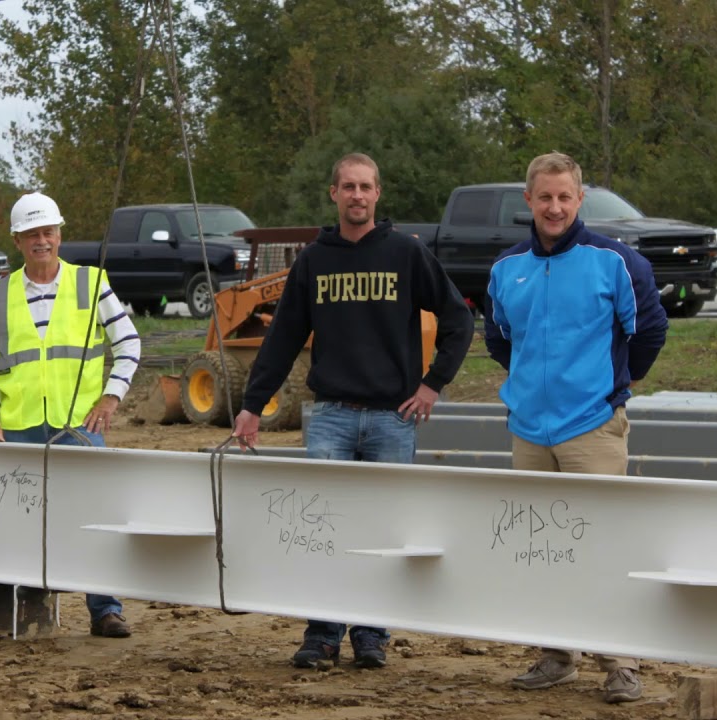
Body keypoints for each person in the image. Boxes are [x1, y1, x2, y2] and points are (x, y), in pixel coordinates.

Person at [232, 153, 475, 669]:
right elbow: (282, 338)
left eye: (366, 187)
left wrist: (433, 385)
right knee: (323, 531)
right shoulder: (313, 261)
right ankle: (321, 635)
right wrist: (253, 406)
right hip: (331, 417)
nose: (357, 195)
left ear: (377, 194)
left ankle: (371, 636)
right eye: (348, 187)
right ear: (334, 194)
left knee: (383, 533)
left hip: (393, 418)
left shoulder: (407, 255)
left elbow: (458, 318)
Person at [484, 152, 668, 704]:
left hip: (592, 429)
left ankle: (621, 662)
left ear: (579, 198)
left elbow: (650, 330)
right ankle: (558, 655)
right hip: (530, 433)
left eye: (565, 197)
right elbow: (498, 338)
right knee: (540, 549)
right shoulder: (506, 268)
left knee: (602, 546)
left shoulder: (614, 262)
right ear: (529, 201)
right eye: (545, 197)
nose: (555, 207)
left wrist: (610, 389)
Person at [0, 191, 142, 639]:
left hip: (77, 428)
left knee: (91, 517)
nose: (41, 241)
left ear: (59, 235)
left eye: (47, 232)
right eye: (31, 235)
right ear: (17, 239)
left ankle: (105, 610)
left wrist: (110, 399)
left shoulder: (90, 283)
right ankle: (6, 608)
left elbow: (129, 345)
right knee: (13, 518)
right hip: (20, 426)